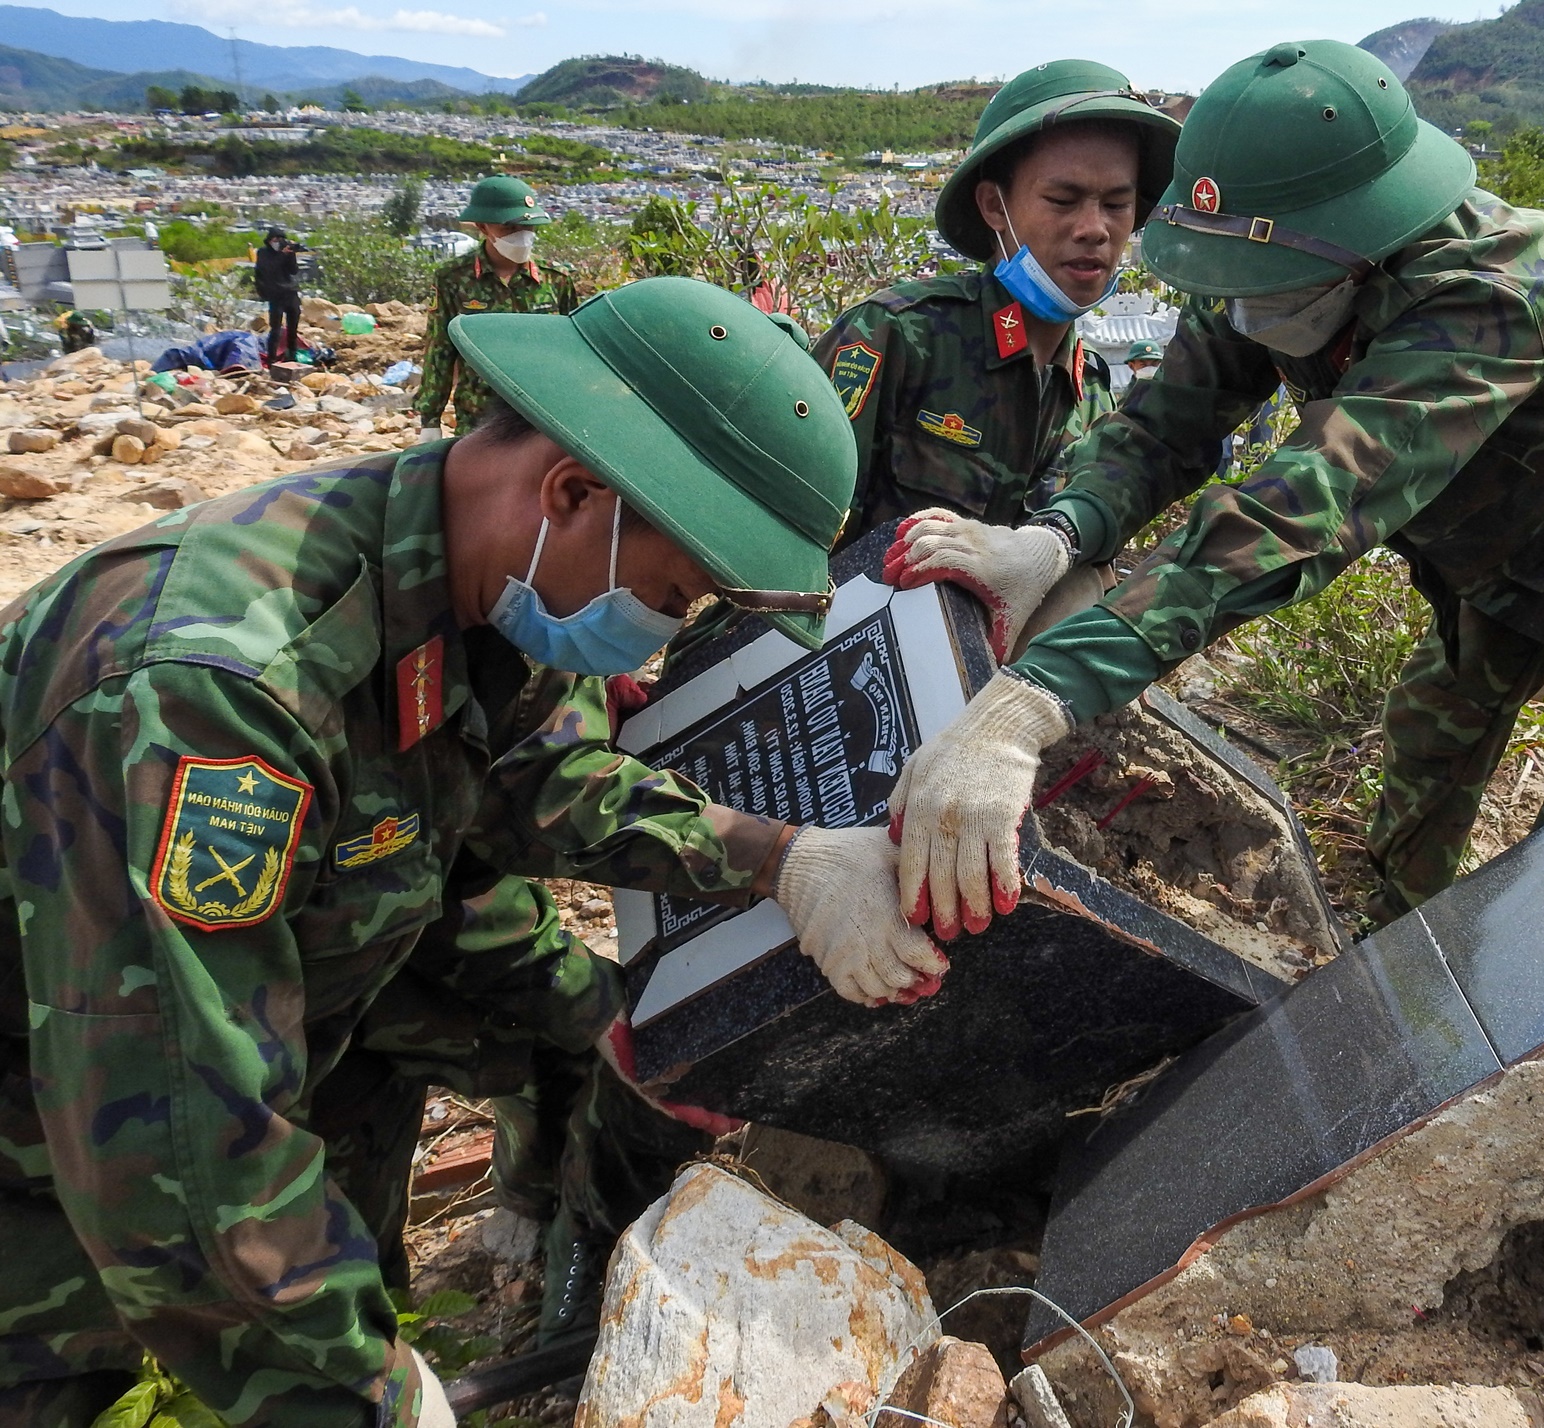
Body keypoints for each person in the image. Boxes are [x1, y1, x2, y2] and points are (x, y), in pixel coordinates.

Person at [0, 277, 944, 1428]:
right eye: (670, 593)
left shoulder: (487, 578)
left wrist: (776, 853)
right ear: (572, 489)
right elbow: (177, 1152)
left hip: (302, 1007)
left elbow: (532, 777)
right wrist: (372, 1397)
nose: (663, 625)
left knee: (548, 1032)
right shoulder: (213, 697)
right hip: (50, 1108)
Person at [884, 39, 1544, 939]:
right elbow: (1166, 427)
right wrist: (1056, 538)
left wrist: (1031, 703)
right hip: (1508, 527)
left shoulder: (1490, 292)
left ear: (1360, 242)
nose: (1247, 311)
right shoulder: (1258, 248)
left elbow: (1308, 506)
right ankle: (1402, 952)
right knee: (1432, 742)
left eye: (1269, 288)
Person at [810, 63, 1178, 658]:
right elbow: (786, 530)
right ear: (993, 206)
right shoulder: (902, 337)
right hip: (831, 650)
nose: (1094, 230)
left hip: (974, 674)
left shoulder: (1093, 396)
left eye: (1117, 204)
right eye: (1062, 200)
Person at [414, 175, 581, 444]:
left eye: (528, 227)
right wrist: (430, 418)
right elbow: (440, 349)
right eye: (509, 228)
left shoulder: (556, 279)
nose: (522, 236)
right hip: (480, 413)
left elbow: (573, 349)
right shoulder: (453, 279)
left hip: (544, 410)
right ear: (483, 227)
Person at [254, 226, 304, 363]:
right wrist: (281, 254)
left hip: (290, 293)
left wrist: (291, 254)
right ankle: (271, 359)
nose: (278, 242)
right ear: (270, 240)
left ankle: (292, 357)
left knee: (292, 329)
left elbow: (293, 271)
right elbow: (268, 269)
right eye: (276, 239)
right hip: (275, 294)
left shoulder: (286, 252)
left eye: (281, 239)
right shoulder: (263, 253)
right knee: (275, 330)